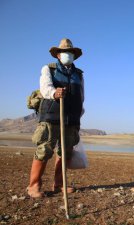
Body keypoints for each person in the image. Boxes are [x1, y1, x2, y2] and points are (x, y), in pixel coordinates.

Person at [27, 38, 84, 198]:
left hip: (71, 118)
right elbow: (45, 87)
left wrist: (79, 112)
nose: (68, 55)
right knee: (44, 149)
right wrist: (54, 93)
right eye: (65, 52)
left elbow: (81, 95)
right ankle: (34, 186)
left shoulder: (78, 74)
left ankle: (59, 184)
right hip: (51, 115)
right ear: (58, 55)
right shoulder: (49, 69)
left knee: (65, 151)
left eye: (70, 52)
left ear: (74, 55)